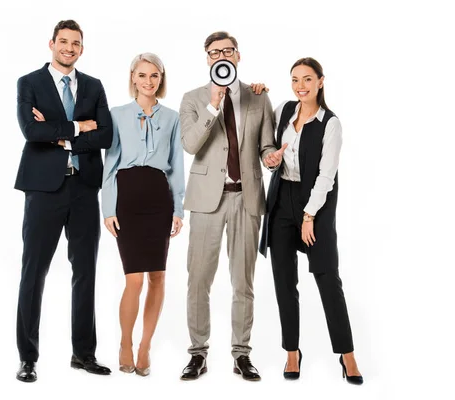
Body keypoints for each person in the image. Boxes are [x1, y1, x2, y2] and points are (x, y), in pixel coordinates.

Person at [179, 31, 282, 381]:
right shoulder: (192, 98)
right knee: (198, 281)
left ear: (238, 55)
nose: (220, 56)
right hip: (207, 200)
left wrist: (271, 158)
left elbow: (266, 145)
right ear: (207, 59)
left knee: (243, 281)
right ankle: (197, 353)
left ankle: (241, 353)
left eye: (227, 50)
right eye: (213, 52)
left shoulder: (259, 98)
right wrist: (213, 103)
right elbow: (191, 145)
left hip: (246, 196)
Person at [14, 19, 112, 382]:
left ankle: (84, 354)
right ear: (52, 44)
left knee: (85, 272)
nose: (69, 48)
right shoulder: (30, 83)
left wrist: (60, 137)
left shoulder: (93, 86)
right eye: (64, 42)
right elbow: (30, 130)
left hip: (85, 188)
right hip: (43, 190)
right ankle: (27, 358)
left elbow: (105, 136)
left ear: (82, 49)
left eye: (76, 43)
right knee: (33, 272)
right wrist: (76, 126)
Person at [259, 57, 363, 384]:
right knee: (284, 282)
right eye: (294, 80)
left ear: (320, 81)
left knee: (327, 278)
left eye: (307, 79)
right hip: (280, 202)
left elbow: (326, 175)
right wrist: (271, 160)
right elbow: (269, 155)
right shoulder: (283, 111)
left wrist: (309, 216)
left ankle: (347, 355)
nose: (300, 86)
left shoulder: (330, 123)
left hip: (314, 204)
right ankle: (292, 351)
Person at [101, 53, 185, 377]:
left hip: (158, 197)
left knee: (158, 277)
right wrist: (108, 209)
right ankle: (125, 342)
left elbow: (177, 164)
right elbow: (110, 163)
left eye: (154, 76)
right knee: (133, 278)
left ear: (161, 79)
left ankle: (146, 345)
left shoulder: (173, 117)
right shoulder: (118, 114)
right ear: (133, 77)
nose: (149, 81)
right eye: (142, 75)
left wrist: (178, 208)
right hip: (128, 196)